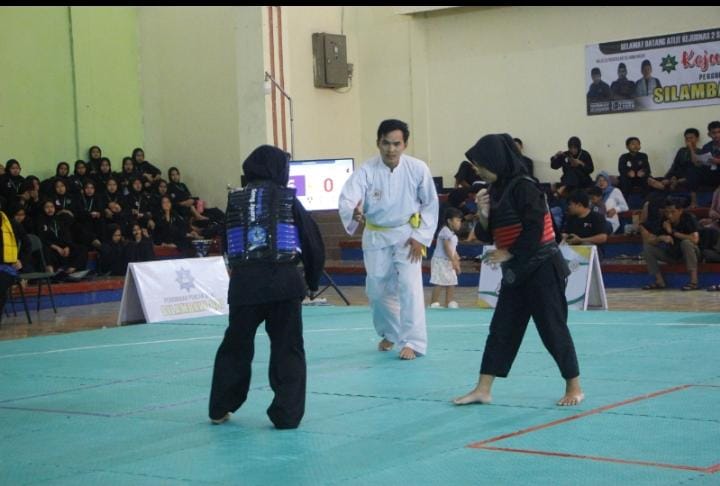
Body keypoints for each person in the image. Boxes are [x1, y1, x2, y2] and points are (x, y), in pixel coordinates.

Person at [453, 133, 583, 407]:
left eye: (480, 164)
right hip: (517, 272)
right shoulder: (494, 191)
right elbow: (486, 235)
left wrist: (509, 252)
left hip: (543, 268)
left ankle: (574, 386)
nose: (476, 170)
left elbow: (536, 228)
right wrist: (483, 213)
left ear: (495, 161)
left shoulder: (525, 187)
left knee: (552, 328)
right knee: (502, 328)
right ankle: (483, 389)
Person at [209, 145, 325, 429]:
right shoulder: (288, 200)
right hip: (284, 286)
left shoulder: (236, 201)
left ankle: (220, 407)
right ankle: (287, 415)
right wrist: (312, 281)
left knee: (235, 347)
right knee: (288, 348)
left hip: (245, 287)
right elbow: (312, 242)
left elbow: (228, 243)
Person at [338, 119, 438, 360]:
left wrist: (421, 237)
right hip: (376, 235)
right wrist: (353, 211)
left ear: (405, 145)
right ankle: (391, 332)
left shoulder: (418, 169)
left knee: (410, 288)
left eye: (396, 144)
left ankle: (413, 342)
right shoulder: (366, 170)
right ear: (378, 143)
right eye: (386, 143)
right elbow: (348, 197)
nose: (391, 149)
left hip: (407, 235)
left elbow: (430, 204)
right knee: (376, 290)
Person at [641, 197, 700, 291]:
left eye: (673, 212)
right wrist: (660, 238)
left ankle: (694, 282)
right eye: (667, 212)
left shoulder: (689, 218)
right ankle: (659, 281)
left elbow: (695, 239)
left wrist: (672, 232)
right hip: (673, 253)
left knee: (686, 243)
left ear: (680, 211)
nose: (669, 215)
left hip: (691, 253)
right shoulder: (664, 220)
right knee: (648, 248)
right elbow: (650, 240)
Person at [430, 207, 462, 309]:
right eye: (457, 220)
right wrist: (453, 261)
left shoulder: (452, 234)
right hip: (440, 260)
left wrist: (457, 259)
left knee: (451, 281)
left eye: (460, 221)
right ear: (449, 221)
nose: (459, 223)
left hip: (448, 260)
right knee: (439, 282)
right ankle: (434, 303)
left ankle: (449, 302)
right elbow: (446, 247)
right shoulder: (445, 231)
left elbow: (453, 249)